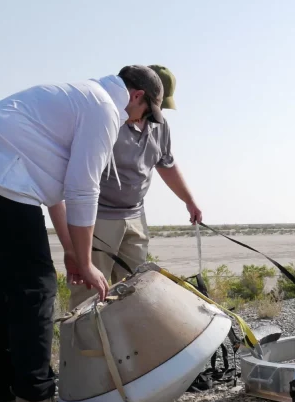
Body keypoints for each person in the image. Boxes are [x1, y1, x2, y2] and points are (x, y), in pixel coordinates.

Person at [0, 65, 165, 402]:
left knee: (6, 290)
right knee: (35, 293)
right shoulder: (105, 108)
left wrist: (75, 254)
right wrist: (90, 264)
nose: (137, 120)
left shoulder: (77, 98)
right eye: (145, 113)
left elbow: (56, 193)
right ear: (137, 95)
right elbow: (83, 187)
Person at [66, 65, 203, 310]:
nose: (155, 114)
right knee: (88, 296)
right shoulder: (108, 118)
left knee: (135, 290)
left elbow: (167, 164)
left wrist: (189, 200)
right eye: (154, 107)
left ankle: (126, 348)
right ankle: (84, 347)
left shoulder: (160, 125)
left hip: (135, 216)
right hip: (98, 218)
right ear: (139, 94)